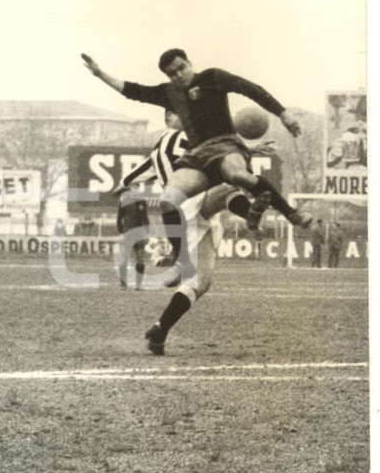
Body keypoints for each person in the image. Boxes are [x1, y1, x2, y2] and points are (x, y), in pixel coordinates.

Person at [82, 50, 312, 277]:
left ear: (190, 63)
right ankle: (183, 261)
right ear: (168, 76)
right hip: (197, 155)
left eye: (182, 68)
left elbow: (251, 89)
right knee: (168, 201)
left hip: (226, 145)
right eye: (172, 73)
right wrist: (100, 73)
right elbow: (132, 91)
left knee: (238, 176)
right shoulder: (169, 92)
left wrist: (283, 113)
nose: (179, 75)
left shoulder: (212, 78)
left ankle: (291, 213)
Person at [117, 110, 268, 355]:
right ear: (168, 119)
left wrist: (126, 196)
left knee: (200, 283)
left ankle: (160, 330)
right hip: (190, 203)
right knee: (227, 188)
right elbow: (219, 153)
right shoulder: (181, 137)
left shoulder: (158, 153)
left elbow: (127, 180)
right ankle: (250, 214)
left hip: (186, 214)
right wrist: (248, 150)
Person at [114, 183, 149, 291]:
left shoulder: (141, 200)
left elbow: (145, 218)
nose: (135, 190)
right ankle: (123, 284)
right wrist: (121, 230)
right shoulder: (124, 200)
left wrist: (147, 232)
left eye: (136, 187)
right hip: (128, 232)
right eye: (133, 187)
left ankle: (137, 285)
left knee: (139, 258)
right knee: (124, 257)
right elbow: (119, 217)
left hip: (137, 233)